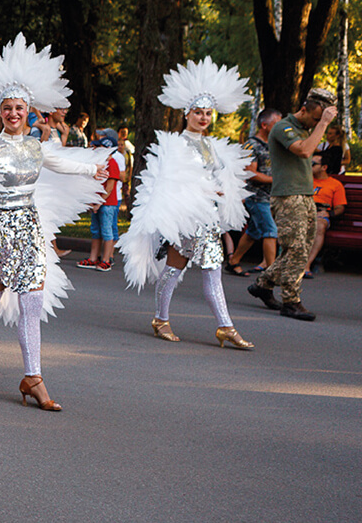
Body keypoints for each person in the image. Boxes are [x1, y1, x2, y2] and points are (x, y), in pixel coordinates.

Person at [0, 34, 107, 410]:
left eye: (19, 107)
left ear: (28, 110)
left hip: (29, 230)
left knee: (32, 304)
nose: (13, 113)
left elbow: (63, 164)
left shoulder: (36, 147)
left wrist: (93, 169)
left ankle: (33, 377)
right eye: (7, 107)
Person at [119, 58, 254, 349]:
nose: (203, 118)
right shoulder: (176, 144)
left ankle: (226, 327)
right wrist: (205, 191)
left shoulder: (211, 145)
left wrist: (222, 191)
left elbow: (220, 177)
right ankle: (160, 319)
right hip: (185, 220)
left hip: (208, 221)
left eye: (207, 113)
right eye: (198, 113)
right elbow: (172, 182)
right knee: (173, 270)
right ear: (186, 114)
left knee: (214, 272)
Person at [248, 88, 337, 322]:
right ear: (304, 110)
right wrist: (324, 123)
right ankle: (291, 301)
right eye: (316, 118)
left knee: (299, 250)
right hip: (288, 197)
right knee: (296, 249)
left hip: (306, 195)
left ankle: (263, 284)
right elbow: (304, 151)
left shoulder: (304, 128)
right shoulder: (282, 127)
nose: (318, 123)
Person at [225, 108, 281, 276]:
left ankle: (233, 261)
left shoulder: (273, 144)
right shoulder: (251, 145)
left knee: (254, 232)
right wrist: (275, 180)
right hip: (255, 196)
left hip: (269, 195)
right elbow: (251, 173)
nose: (280, 128)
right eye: (276, 124)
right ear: (264, 125)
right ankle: (271, 273)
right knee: (270, 231)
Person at [77, 130, 122, 271]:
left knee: (107, 232)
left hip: (107, 204)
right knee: (96, 231)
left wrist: (98, 203)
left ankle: (106, 259)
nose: (96, 149)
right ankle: (93, 258)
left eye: (99, 147)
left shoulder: (113, 164)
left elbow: (109, 188)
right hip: (98, 203)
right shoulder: (100, 164)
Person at [305, 153, 347, 278]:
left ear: (324, 167)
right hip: (303, 211)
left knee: (319, 225)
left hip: (320, 213)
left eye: (313, 164)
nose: (309, 166)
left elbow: (340, 207)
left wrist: (329, 213)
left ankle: (307, 265)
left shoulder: (335, 184)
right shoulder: (304, 180)